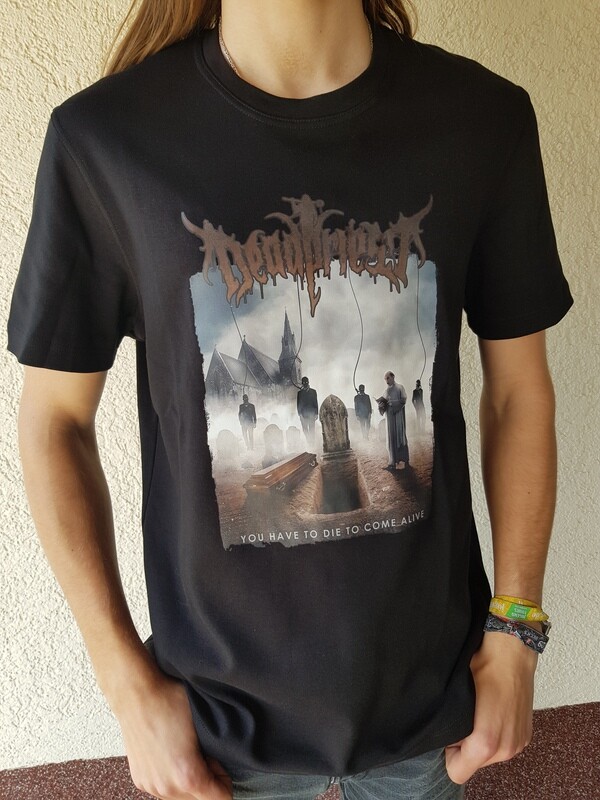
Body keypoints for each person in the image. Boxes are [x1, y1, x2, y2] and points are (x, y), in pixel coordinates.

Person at [6, 1, 573, 799]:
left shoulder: (482, 121)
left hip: (429, 706)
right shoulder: (105, 141)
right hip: (217, 728)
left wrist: (517, 634)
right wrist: (127, 687)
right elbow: (54, 423)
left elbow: (518, 395)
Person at [380, 371, 409, 470]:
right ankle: (392, 463)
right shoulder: (386, 391)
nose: (387, 381)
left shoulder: (400, 388)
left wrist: (393, 403)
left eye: (388, 378)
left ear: (393, 377)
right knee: (391, 438)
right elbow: (383, 404)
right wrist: (381, 405)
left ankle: (404, 460)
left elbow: (403, 400)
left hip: (398, 416)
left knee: (400, 436)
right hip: (390, 418)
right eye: (385, 379)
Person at [296, 376, 319, 446]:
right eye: (304, 382)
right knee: (305, 429)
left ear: (308, 382)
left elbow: (315, 402)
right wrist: (300, 414)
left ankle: (312, 443)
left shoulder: (313, 391)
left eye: (306, 382)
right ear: (302, 383)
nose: (305, 383)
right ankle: (309, 441)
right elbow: (298, 404)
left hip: (312, 413)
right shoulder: (300, 393)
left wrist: (316, 413)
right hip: (303, 414)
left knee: (312, 429)